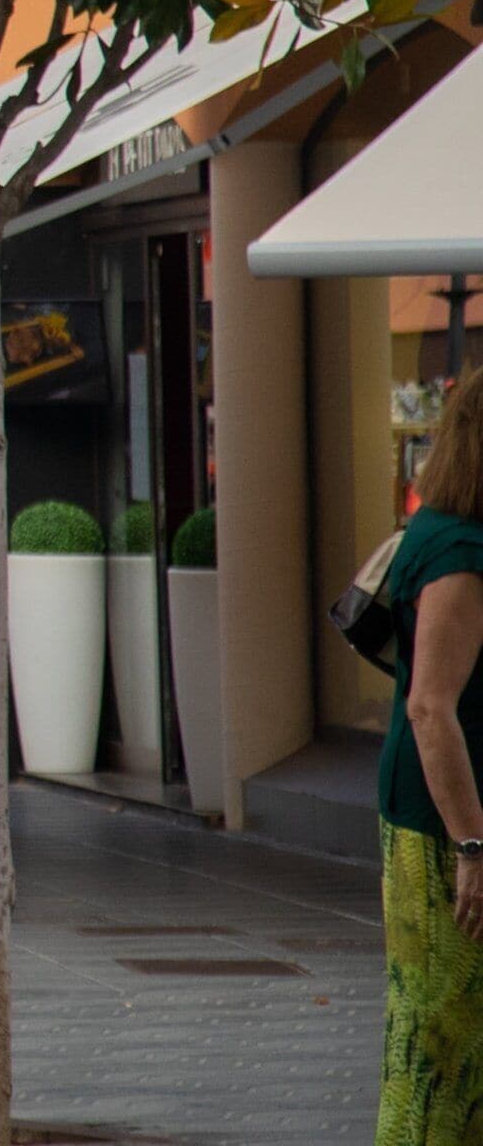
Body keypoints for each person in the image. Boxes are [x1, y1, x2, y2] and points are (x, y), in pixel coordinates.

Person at [377, 374, 483, 1145]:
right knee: (445, 1041)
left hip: (437, 820)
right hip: (446, 824)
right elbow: (429, 705)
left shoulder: (443, 527)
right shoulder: (458, 550)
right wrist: (472, 845)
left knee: (434, 1033)